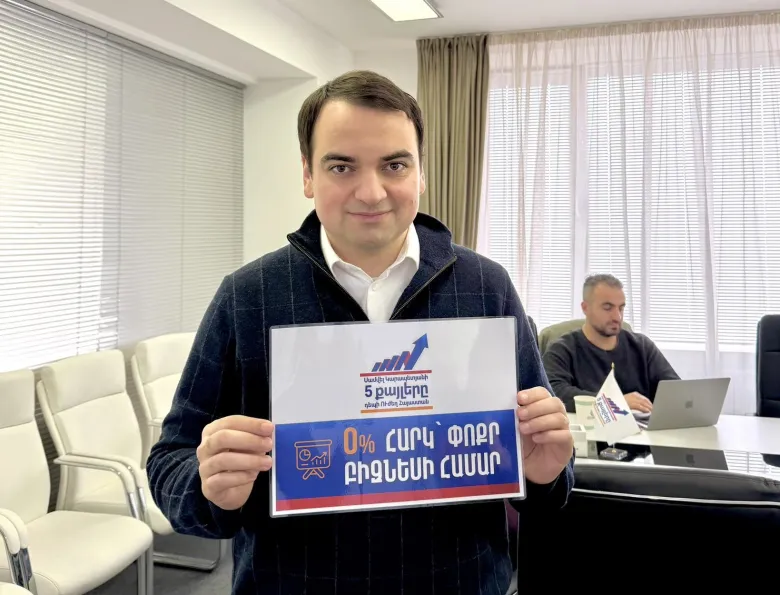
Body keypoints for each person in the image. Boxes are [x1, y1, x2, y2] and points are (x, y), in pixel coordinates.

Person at [146, 70, 574, 595]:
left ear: (421, 174)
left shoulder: (487, 287)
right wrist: (207, 487)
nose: (371, 193)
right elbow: (169, 463)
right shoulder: (246, 296)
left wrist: (545, 473)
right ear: (308, 175)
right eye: (342, 166)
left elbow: (545, 472)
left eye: (394, 165)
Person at [542, 273, 679, 413]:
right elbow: (554, 392)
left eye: (621, 308)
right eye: (608, 308)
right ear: (585, 308)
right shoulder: (562, 349)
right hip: (589, 425)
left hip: (642, 426)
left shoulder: (642, 346)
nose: (617, 317)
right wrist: (614, 402)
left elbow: (675, 390)